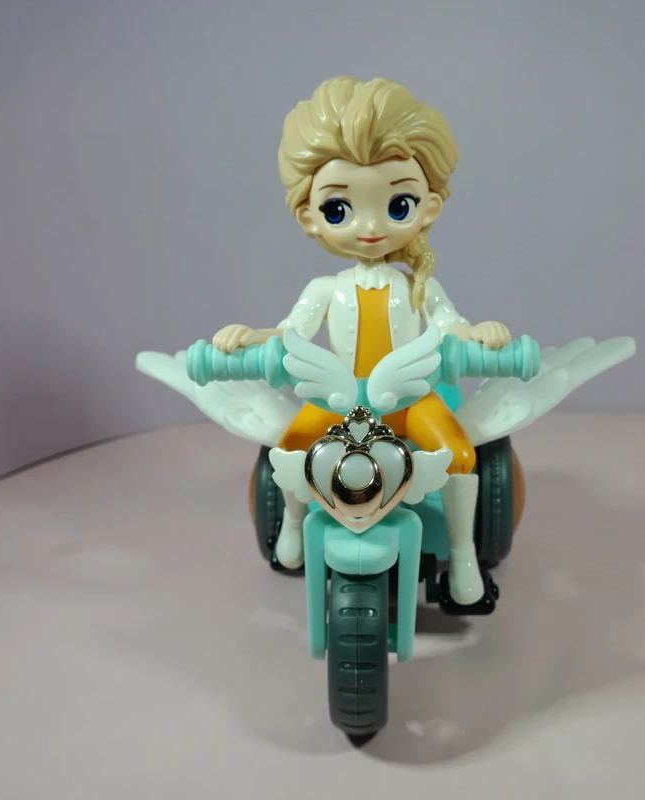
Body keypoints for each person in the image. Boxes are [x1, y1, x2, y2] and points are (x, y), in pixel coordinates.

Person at [211, 76, 511, 605]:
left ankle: (463, 552)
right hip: (340, 397)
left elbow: (450, 325)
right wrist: (254, 339)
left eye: (397, 205)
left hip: (410, 400)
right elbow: (290, 333)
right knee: (291, 445)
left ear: (428, 208)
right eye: (339, 210)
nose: (369, 226)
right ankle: (293, 522)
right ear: (309, 216)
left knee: (460, 455)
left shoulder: (418, 287)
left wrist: (477, 335)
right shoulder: (326, 290)